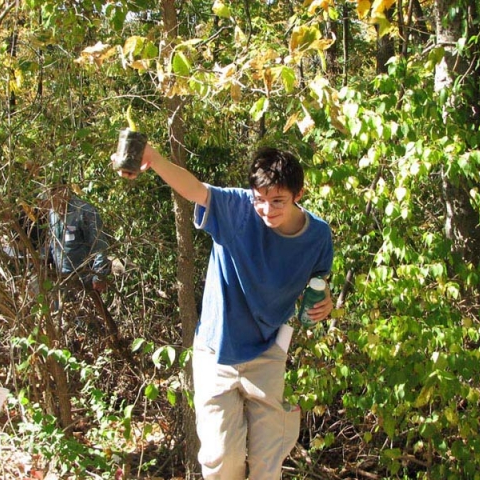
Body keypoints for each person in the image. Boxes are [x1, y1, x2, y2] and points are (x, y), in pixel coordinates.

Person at [115, 144, 334, 479]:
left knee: (266, 464)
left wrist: (325, 297)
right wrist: (155, 159)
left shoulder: (318, 235)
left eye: (278, 201)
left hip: (267, 353)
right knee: (221, 460)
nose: (266, 209)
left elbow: (320, 276)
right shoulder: (238, 209)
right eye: (260, 199)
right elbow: (196, 190)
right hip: (217, 351)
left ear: (298, 194)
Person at [41, 184, 110, 293]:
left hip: (85, 280)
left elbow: (100, 246)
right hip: (62, 279)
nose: (48, 204)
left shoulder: (85, 211)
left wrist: (99, 276)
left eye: (51, 198)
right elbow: (52, 242)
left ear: (63, 191)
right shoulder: (52, 213)